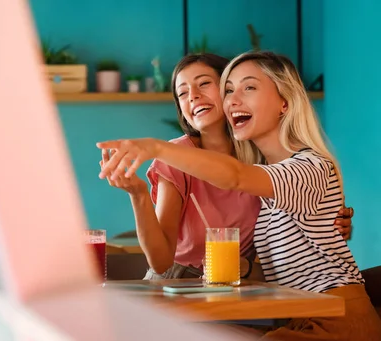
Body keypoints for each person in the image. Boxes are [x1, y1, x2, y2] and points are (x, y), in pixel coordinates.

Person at [98, 51, 381, 340]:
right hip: (295, 316)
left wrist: (156, 148)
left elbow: (235, 177)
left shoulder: (303, 167)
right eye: (230, 90)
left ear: (285, 102)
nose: (233, 99)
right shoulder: (269, 178)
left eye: (248, 88)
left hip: (334, 317)